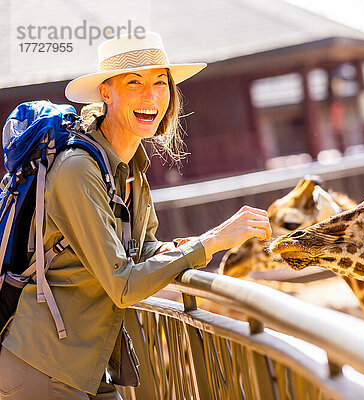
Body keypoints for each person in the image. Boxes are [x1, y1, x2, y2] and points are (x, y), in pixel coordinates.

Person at [0, 32, 271, 399]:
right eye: (134, 82)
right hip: (43, 367)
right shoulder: (77, 168)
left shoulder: (131, 169)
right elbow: (124, 284)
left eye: (161, 82)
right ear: (106, 92)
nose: (151, 96)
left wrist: (182, 246)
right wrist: (210, 243)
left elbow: (142, 250)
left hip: (90, 366)